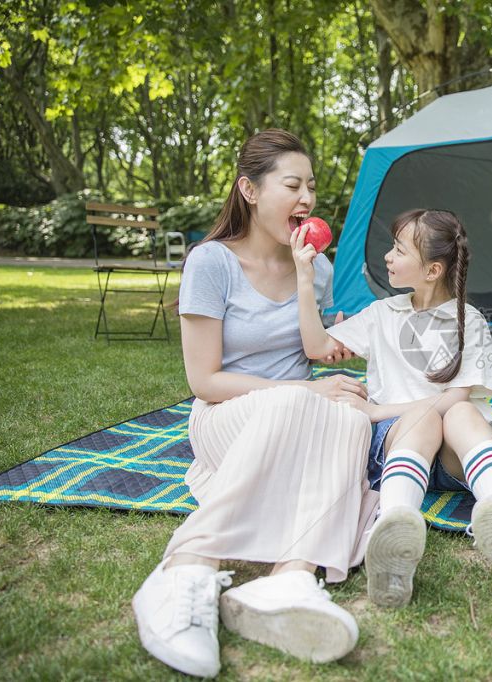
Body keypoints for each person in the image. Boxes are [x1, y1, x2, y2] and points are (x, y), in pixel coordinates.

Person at [132, 129, 377, 677]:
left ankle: (291, 577)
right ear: (249, 189)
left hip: (302, 415)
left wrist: (342, 344)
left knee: (352, 421)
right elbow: (205, 381)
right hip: (227, 415)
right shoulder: (211, 262)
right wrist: (305, 390)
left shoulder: (319, 268)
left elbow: (315, 350)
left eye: (310, 186)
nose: (307, 198)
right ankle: (186, 570)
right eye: (292, 184)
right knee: (302, 405)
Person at [291, 208, 492, 609]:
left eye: (398, 250)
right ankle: (393, 531)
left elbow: (457, 398)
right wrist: (305, 280)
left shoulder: (469, 321)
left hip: (458, 458)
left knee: (460, 411)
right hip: (405, 450)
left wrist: (377, 410)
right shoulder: (382, 314)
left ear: (432, 271)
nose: (388, 257)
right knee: (422, 419)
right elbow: (316, 347)